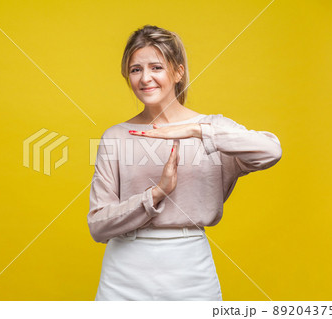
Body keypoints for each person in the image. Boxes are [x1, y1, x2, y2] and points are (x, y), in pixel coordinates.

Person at [87, 24, 282, 301]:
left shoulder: (214, 129)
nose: (145, 78)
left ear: (178, 72)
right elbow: (98, 225)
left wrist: (197, 130)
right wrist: (157, 193)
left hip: (190, 271)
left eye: (156, 67)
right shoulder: (116, 136)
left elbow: (270, 151)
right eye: (135, 69)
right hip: (123, 275)